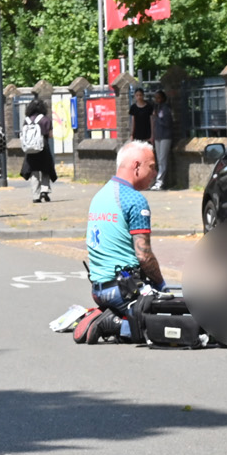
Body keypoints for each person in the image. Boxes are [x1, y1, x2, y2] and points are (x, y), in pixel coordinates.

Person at [79, 141, 161, 342]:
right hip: (123, 291)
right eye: (152, 166)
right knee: (164, 326)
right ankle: (113, 324)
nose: (155, 173)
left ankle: (107, 315)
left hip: (99, 289)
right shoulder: (134, 200)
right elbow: (144, 255)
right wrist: (161, 283)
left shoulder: (100, 195)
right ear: (136, 166)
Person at [21, 97, 57, 203]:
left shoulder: (26, 120)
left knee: (34, 171)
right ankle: (44, 190)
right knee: (45, 169)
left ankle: (35, 195)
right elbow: (50, 135)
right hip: (43, 147)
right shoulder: (46, 119)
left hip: (30, 149)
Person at [149, 88, 174, 191]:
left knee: (162, 159)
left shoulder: (165, 109)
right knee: (159, 159)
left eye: (159, 97)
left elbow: (167, 123)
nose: (157, 99)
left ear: (163, 98)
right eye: (156, 98)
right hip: (158, 136)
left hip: (165, 136)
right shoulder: (157, 108)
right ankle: (159, 181)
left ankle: (160, 182)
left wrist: (157, 118)